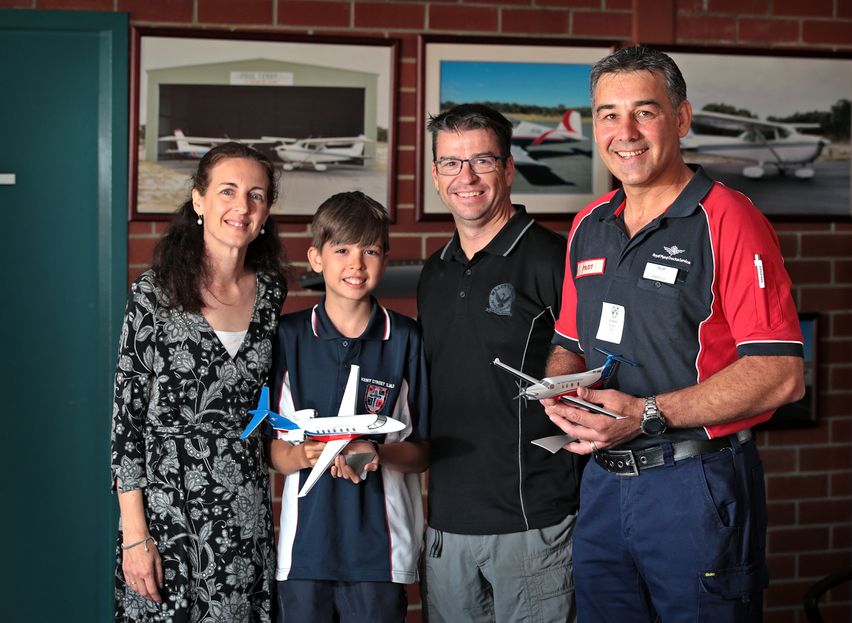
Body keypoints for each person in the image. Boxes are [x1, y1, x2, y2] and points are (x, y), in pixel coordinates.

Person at [542, 46, 806, 622]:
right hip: (604, 486)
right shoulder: (589, 225)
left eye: (646, 111)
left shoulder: (729, 218)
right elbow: (568, 344)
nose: (625, 132)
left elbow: (781, 375)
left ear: (681, 118)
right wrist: (560, 398)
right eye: (609, 114)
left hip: (697, 485)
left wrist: (648, 413)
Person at [110, 142, 287, 620]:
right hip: (168, 514)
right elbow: (126, 426)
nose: (242, 206)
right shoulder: (155, 292)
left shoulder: (272, 293)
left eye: (256, 195)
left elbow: (268, 406)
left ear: (267, 210)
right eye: (227, 191)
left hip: (244, 509)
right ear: (198, 201)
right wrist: (135, 535)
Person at [417, 104, 579, 622]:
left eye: (482, 161)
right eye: (450, 163)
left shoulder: (555, 258)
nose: (465, 178)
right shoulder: (434, 272)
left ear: (508, 170)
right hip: (446, 526)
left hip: (533, 524)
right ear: (436, 175)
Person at [265, 191, 429, 623]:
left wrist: (377, 453)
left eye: (370, 250)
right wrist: (300, 454)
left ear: (386, 258)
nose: (356, 264)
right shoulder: (287, 337)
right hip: (304, 552)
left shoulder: (408, 339)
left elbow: (423, 451)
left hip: (379, 551)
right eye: (342, 250)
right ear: (316, 257)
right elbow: (272, 448)